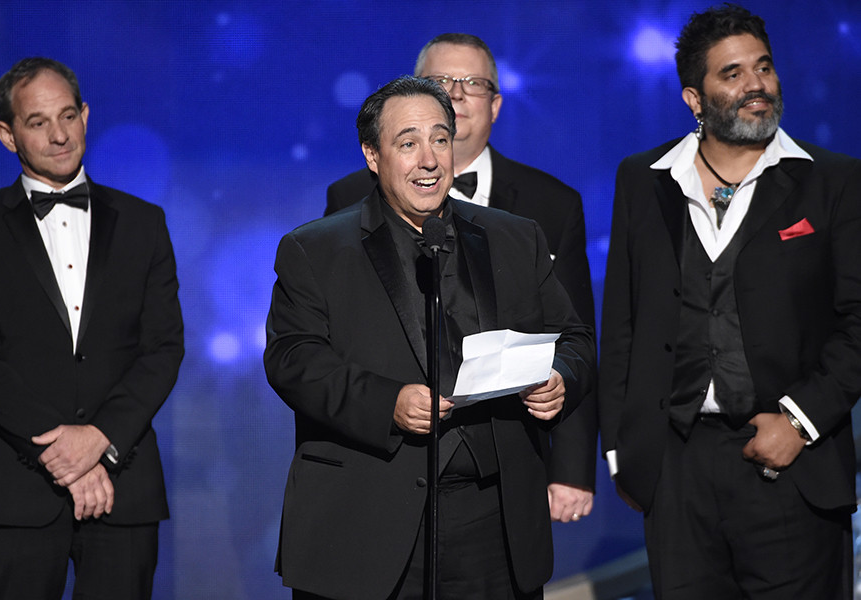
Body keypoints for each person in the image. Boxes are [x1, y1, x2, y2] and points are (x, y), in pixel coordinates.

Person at [265, 76, 594, 599]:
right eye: (408, 143)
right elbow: (293, 359)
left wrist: (561, 379)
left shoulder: (515, 236)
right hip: (366, 519)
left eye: (440, 139)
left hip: (493, 525)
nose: (429, 160)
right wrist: (387, 402)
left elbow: (574, 338)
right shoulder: (316, 249)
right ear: (373, 156)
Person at [598, 5, 861, 598]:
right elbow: (623, 322)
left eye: (763, 68)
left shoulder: (833, 181)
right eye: (733, 74)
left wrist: (799, 420)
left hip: (788, 463)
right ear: (695, 98)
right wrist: (623, 451)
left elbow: (859, 324)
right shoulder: (643, 178)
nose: (756, 86)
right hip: (676, 466)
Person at [326, 32, 597, 524]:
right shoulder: (346, 201)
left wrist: (572, 466)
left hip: (504, 460)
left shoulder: (551, 204)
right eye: (440, 81)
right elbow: (326, 341)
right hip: (386, 470)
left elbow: (574, 332)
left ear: (494, 105)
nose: (455, 92)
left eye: (472, 82)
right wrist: (385, 402)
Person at [0, 57, 184, 599]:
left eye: (68, 116)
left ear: (85, 115)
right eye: (38, 122)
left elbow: (163, 349)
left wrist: (100, 439)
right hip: (19, 490)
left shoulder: (144, 222)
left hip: (125, 485)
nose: (60, 135)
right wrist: (63, 455)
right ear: (6, 135)